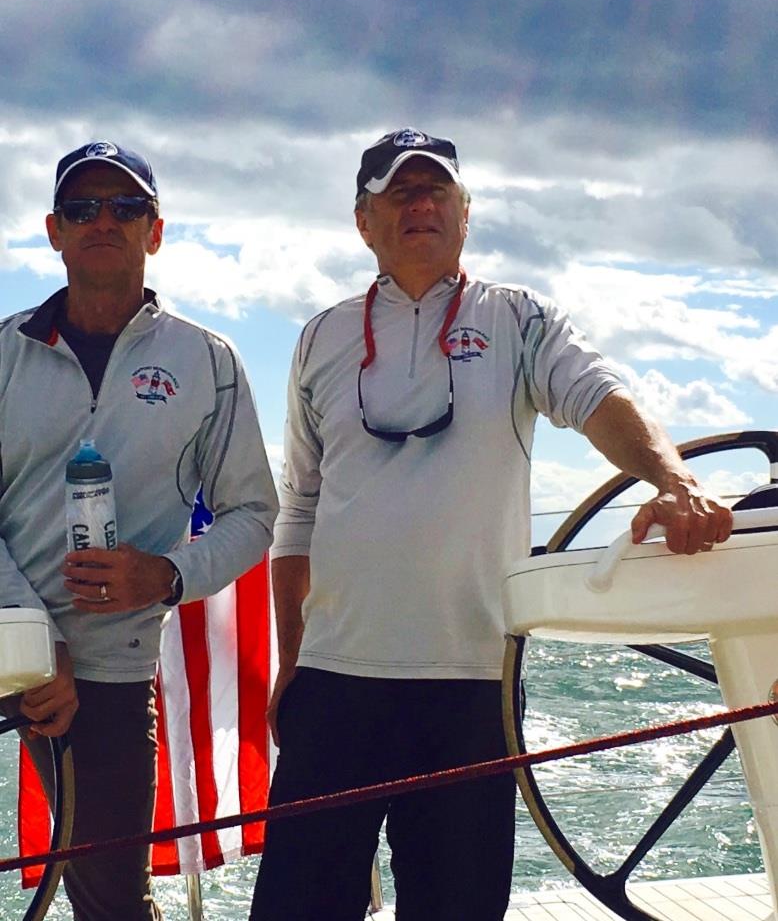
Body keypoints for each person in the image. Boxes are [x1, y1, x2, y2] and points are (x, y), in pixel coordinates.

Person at [250, 127, 731, 921]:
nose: (421, 204)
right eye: (399, 192)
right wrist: (292, 661)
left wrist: (674, 479)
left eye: (438, 191)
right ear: (363, 221)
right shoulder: (320, 337)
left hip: (472, 686)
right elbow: (299, 511)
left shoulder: (519, 320)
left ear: (465, 216)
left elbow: (597, 399)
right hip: (336, 683)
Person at [0, 141, 279, 921]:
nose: (103, 222)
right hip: (6, 649)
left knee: (108, 899)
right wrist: (28, 638)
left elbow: (255, 514)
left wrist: (167, 575)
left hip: (110, 678)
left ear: (154, 232)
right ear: (53, 230)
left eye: (125, 208)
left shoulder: (208, 362)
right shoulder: (1, 355)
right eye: (82, 208)